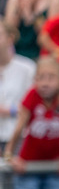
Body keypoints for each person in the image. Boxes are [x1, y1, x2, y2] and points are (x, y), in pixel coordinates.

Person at [4, 55, 59, 189]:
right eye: (41, 78)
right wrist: (9, 155)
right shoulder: (32, 95)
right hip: (29, 165)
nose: (45, 83)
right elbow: (19, 128)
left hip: (55, 166)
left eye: (51, 78)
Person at [0, 23, 36, 154]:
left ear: (10, 38)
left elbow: (34, 104)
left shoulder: (27, 68)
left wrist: (10, 110)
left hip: (19, 137)